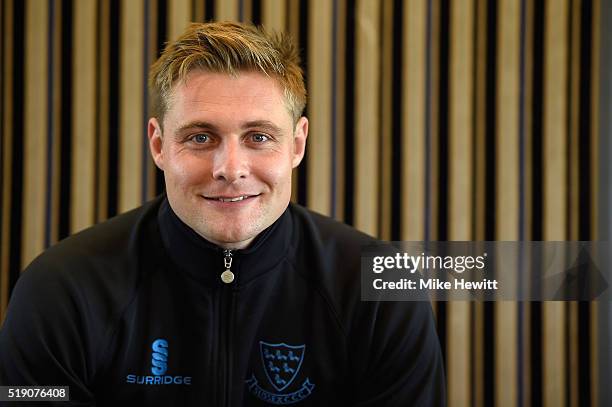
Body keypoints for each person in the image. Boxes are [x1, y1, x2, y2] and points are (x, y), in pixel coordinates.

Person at [0, 22, 445, 405]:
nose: (230, 169)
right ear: (158, 144)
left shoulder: (384, 292)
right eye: (199, 137)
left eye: (258, 137)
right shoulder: (61, 289)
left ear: (297, 143)